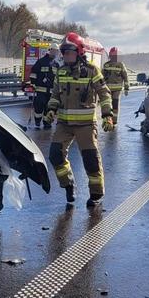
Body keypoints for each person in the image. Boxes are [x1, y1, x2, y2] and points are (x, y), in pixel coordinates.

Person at [46, 36, 114, 207]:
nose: (66, 56)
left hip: (85, 125)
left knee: (91, 160)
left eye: (69, 52)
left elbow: (104, 94)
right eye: (64, 53)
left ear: (79, 52)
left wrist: (107, 115)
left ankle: (96, 194)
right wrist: (50, 110)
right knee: (55, 155)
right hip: (64, 124)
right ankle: (69, 185)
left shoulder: (92, 71)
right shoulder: (60, 72)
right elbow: (55, 95)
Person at [29, 43, 60, 128]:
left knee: (49, 108)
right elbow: (33, 73)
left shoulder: (56, 65)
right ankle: (37, 121)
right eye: (54, 51)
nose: (55, 53)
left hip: (51, 91)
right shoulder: (41, 62)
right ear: (49, 50)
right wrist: (33, 83)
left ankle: (47, 123)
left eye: (56, 51)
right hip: (40, 89)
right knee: (39, 106)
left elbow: (58, 78)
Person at [102, 47, 130, 126]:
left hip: (117, 90)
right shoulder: (106, 65)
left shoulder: (120, 65)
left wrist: (126, 88)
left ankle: (114, 120)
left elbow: (125, 76)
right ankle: (108, 120)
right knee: (107, 105)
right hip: (107, 89)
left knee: (115, 104)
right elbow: (101, 77)